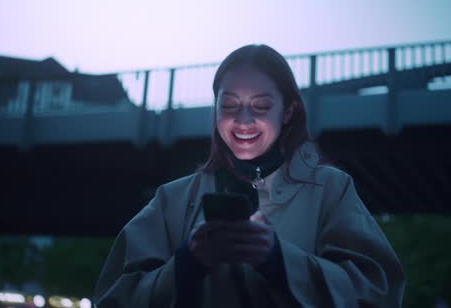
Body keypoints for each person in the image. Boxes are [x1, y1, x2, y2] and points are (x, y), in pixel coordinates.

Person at [93, 44, 406, 307]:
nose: (243, 121)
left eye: (261, 106)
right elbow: (112, 297)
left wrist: (279, 260)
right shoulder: (170, 200)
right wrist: (187, 263)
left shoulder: (331, 189)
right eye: (229, 104)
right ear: (214, 109)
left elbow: (380, 291)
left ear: (288, 112)